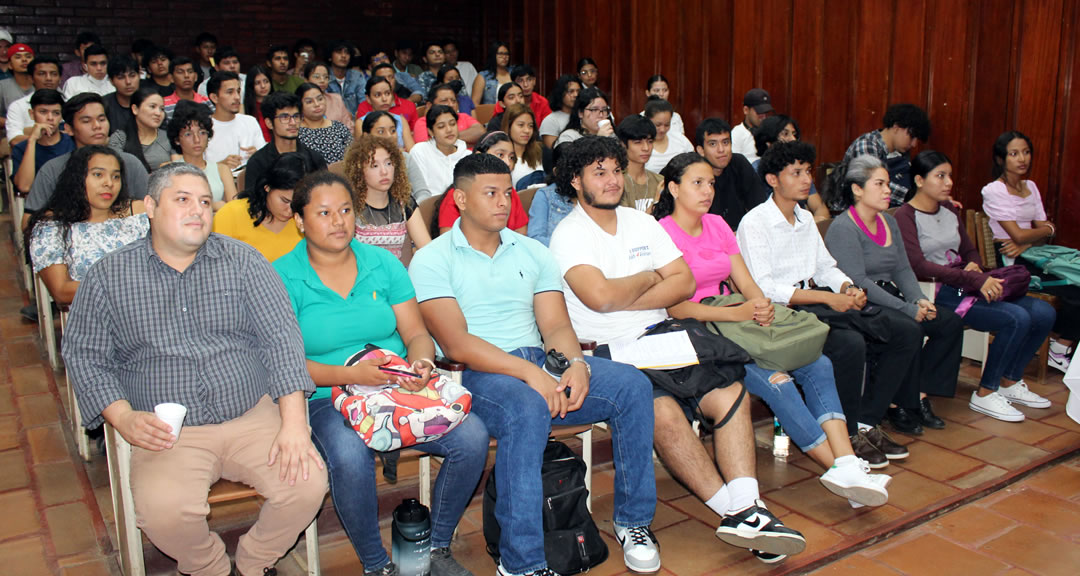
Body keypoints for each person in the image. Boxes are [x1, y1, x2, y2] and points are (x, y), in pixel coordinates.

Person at [63, 162, 329, 576]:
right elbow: (85, 355)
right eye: (182, 199)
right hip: (168, 431)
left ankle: (254, 562)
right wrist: (123, 417)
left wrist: (294, 424)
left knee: (307, 484)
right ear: (150, 206)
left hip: (251, 412)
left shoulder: (244, 261)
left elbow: (282, 339)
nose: (198, 210)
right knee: (165, 512)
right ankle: (208, 567)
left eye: (205, 201)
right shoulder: (109, 277)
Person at [548, 136, 805, 562]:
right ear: (576, 181)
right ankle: (740, 514)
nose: (613, 181)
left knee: (731, 391)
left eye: (616, 170)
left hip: (661, 334)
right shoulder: (569, 234)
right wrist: (650, 278)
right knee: (662, 413)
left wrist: (624, 291)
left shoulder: (640, 222)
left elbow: (683, 283)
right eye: (599, 173)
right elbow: (599, 300)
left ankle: (747, 509)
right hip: (607, 349)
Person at [410, 153, 661, 576]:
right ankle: (521, 562)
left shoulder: (532, 252)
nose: (504, 202)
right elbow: (456, 342)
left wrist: (576, 364)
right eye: (490, 193)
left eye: (508, 192)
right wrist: (531, 375)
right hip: (474, 373)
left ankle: (633, 521)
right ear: (460, 199)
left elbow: (556, 325)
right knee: (526, 409)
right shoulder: (433, 259)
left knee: (631, 387)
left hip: (538, 363)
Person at [274, 170, 483, 576]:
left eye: (346, 210)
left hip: (395, 386)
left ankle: (435, 548)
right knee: (350, 457)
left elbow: (416, 333)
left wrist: (421, 363)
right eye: (324, 212)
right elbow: (286, 363)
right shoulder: (282, 276)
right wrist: (347, 374)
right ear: (299, 220)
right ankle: (376, 564)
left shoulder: (382, 264)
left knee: (472, 438)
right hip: (323, 395)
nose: (339, 221)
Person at [654, 152, 891, 508]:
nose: (707, 191)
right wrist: (741, 313)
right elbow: (674, 306)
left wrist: (761, 306)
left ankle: (847, 463)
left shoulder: (717, 225)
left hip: (738, 319)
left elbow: (746, 282)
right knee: (775, 380)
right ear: (674, 187)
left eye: (711, 184)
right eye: (697, 183)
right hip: (699, 332)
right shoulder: (661, 234)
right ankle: (838, 470)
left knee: (819, 363)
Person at [738, 142, 917, 467]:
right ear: (772, 180)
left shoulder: (805, 219)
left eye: (808, 171)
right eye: (796, 172)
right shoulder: (755, 223)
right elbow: (765, 288)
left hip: (817, 304)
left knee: (905, 330)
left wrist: (847, 287)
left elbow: (825, 268)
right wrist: (827, 297)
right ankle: (847, 434)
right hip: (783, 315)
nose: (806, 179)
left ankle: (866, 420)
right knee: (850, 344)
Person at [898, 150, 1055, 421]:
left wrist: (973, 265)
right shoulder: (905, 216)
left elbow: (969, 250)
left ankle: (1010, 381)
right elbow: (919, 266)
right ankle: (985, 393)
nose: (948, 182)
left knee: (1043, 313)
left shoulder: (948, 210)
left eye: (949, 175)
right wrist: (972, 277)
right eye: (940, 176)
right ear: (920, 180)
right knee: (1015, 318)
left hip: (967, 283)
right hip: (939, 292)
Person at [824, 154, 966, 432]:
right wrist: (907, 309)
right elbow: (859, 281)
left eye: (888, 184)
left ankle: (917, 395)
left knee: (949, 323)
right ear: (857, 189)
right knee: (909, 327)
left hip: (892, 297)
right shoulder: (844, 228)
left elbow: (902, 269)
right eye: (879, 184)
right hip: (862, 301)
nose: (888, 190)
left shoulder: (889, 223)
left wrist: (918, 299)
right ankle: (884, 408)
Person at [982, 130, 1079, 372]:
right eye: (1014, 154)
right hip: (1010, 260)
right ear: (1000, 159)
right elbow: (1020, 234)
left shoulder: (1031, 186)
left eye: (1026, 152)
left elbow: (1037, 231)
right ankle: (1060, 348)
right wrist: (1039, 233)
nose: (1022, 159)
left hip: (1032, 253)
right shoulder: (994, 190)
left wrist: (1030, 240)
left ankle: (1062, 344)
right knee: (1075, 288)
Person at [27, 145, 149, 304]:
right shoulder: (52, 228)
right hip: (98, 318)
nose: (109, 183)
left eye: (116, 177)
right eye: (98, 175)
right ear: (78, 178)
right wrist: (129, 287)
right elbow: (61, 291)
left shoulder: (139, 214)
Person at [25, 94, 150, 220]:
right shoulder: (53, 169)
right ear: (69, 129)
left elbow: (153, 210)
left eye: (101, 119)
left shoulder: (130, 163)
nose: (97, 126)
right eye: (86, 121)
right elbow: (28, 221)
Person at [343, 134, 432, 260]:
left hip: (396, 275)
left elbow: (427, 249)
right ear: (359, 172)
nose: (384, 172)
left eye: (388, 163)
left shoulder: (405, 203)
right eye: (374, 166)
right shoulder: (349, 207)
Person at [213, 153, 305, 262]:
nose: (290, 210)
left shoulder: (305, 220)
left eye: (296, 203)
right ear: (267, 187)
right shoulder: (231, 214)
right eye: (285, 201)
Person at [435, 132, 530, 236]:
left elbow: (521, 233)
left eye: (511, 157)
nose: (507, 162)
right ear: (479, 156)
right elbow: (448, 242)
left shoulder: (509, 192)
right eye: (500, 155)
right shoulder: (458, 196)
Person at [842, 103, 931, 207]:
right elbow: (871, 184)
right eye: (912, 137)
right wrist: (916, 197)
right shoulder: (867, 144)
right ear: (896, 127)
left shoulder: (901, 151)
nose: (914, 144)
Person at [245, 91, 328, 195]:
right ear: (269, 123)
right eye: (284, 117)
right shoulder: (258, 162)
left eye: (296, 116)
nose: (293, 123)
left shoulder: (314, 158)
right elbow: (252, 202)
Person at [752, 115, 830, 220]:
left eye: (794, 134)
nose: (793, 139)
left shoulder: (801, 168)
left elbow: (820, 208)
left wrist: (816, 220)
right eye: (785, 134)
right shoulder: (755, 171)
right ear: (768, 142)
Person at [695, 117, 768, 231]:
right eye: (713, 144)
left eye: (725, 142)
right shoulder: (692, 171)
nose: (721, 149)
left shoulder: (739, 163)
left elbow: (760, 208)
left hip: (740, 235)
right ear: (701, 150)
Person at [166, 100, 237, 210]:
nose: (197, 139)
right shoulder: (169, 171)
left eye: (202, 133)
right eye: (188, 134)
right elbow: (170, 207)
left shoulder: (221, 170)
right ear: (177, 140)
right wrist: (214, 205)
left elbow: (234, 207)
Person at [11, 89, 75, 199]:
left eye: (56, 113)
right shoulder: (21, 148)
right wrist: (32, 140)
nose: (50, 118)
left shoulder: (73, 141)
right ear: (32, 114)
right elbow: (24, 186)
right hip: (40, 208)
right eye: (43, 112)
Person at [407, 105, 469, 202]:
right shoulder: (420, 151)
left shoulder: (468, 156)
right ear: (430, 131)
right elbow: (420, 193)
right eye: (441, 126)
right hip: (429, 210)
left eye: (452, 124)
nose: (449, 130)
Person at [206, 71, 265, 170]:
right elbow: (197, 169)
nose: (237, 97)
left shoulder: (250, 122)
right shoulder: (204, 127)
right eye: (230, 92)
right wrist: (220, 166)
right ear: (215, 98)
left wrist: (258, 156)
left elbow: (265, 157)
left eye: (238, 91)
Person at [108, 86, 170, 173]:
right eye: (152, 107)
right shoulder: (120, 138)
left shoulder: (168, 137)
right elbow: (114, 169)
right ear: (135, 109)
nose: (158, 113)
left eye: (162, 109)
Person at [6, 55, 61, 145]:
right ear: (31, 78)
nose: (49, 78)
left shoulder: (69, 104)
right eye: (42, 74)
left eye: (53, 74)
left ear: (60, 79)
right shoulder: (18, 106)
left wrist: (29, 132)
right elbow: (14, 140)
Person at [295, 82, 352, 164]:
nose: (317, 104)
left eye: (320, 99)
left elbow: (352, 156)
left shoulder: (339, 127)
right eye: (309, 102)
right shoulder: (296, 132)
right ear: (300, 105)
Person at [614, 114, 662, 212]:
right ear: (623, 144)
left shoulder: (660, 181)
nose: (646, 148)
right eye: (638, 142)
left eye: (650, 141)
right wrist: (657, 201)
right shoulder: (616, 182)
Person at [412, 83, 484, 145]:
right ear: (430, 105)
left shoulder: (463, 116)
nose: (451, 104)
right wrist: (468, 140)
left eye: (453, 101)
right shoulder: (423, 122)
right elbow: (426, 148)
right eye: (444, 101)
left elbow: (481, 132)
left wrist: (447, 138)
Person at [356, 76, 415, 151]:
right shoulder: (361, 123)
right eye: (378, 95)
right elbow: (364, 154)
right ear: (368, 99)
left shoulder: (400, 120)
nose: (384, 99)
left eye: (387, 93)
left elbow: (412, 151)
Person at [355, 64, 420, 127]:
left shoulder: (409, 105)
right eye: (382, 78)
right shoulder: (364, 107)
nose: (388, 81)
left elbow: (415, 133)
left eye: (391, 77)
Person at [642, 96, 693, 173]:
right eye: (658, 125)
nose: (662, 130)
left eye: (667, 125)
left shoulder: (681, 140)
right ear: (647, 121)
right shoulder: (640, 144)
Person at [303, 61, 354, 131]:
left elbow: (349, 127)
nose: (322, 80)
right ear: (306, 80)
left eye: (326, 77)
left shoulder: (336, 99)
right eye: (317, 77)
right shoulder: (301, 101)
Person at [502, 104, 544, 189]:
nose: (527, 130)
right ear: (508, 127)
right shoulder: (501, 157)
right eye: (521, 125)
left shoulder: (542, 151)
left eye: (530, 126)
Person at [162, 57, 214, 123]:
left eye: (190, 72)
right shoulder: (163, 104)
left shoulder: (207, 102)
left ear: (196, 77)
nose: (186, 76)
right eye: (180, 72)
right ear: (171, 78)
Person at [730, 88, 773, 164]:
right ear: (746, 110)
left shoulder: (771, 132)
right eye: (759, 112)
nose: (763, 116)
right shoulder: (737, 134)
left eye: (766, 112)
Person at [325, 39, 366, 115]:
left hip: (355, 123)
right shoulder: (324, 76)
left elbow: (364, 103)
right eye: (339, 52)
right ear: (330, 56)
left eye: (347, 53)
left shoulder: (357, 77)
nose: (343, 56)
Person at [539, 75, 580, 148]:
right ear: (560, 93)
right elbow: (553, 152)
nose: (576, 95)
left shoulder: (583, 116)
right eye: (571, 91)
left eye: (578, 91)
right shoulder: (551, 121)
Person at [102, 55, 140, 136]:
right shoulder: (104, 105)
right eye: (121, 77)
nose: (128, 82)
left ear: (139, 76)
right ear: (111, 81)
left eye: (132, 75)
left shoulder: (150, 101)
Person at [0, 43, 34, 125]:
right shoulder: (2, 86)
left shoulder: (45, 82)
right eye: (18, 57)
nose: (24, 60)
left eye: (28, 57)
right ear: (10, 65)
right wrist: (15, 125)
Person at [472, 41, 511, 106]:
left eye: (506, 54)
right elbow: (474, 103)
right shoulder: (483, 76)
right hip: (490, 114)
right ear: (493, 55)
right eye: (500, 54)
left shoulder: (513, 73)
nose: (504, 57)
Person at [243, 65, 273, 141]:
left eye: (266, 81)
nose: (263, 86)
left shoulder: (278, 104)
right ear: (251, 85)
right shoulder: (245, 108)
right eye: (257, 83)